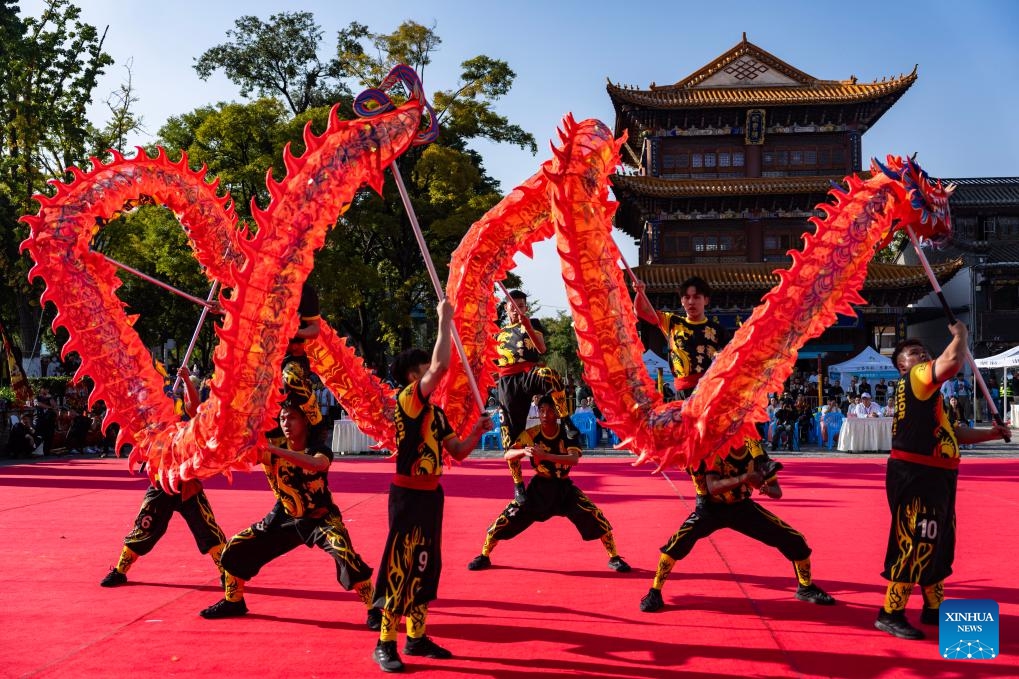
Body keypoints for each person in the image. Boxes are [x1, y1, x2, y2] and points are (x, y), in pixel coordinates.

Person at [371, 299, 492, 673]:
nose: (432, 373)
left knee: (424, 566)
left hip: (431, 496)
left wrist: (477, 432)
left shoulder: (435, 414)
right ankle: (385, 642)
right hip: (407, 495)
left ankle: (417, 636)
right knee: (401, 564)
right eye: (423, 369)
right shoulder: (407, 401)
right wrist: (444, 320)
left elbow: (458, 451)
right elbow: (441, 366)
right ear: (413, 376)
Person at [875, 325, 1009, 640]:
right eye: (913, 352)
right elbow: (951, 361)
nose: (922, 354)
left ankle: (934, 608)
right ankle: (890, 613)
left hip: (936, 475)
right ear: (902, 366)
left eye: (923, 351)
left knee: (938, 542)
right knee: (916, 541)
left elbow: (953, 434)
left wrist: (991, 434)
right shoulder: (919, 377)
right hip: (918, 475)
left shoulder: (927, 396)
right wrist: (961, 334)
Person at [199, 397, 380, 629]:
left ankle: (374, 609)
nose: (286, 422)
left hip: (320, 518)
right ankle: (234, 600)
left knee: (344, 551)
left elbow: (318, 465)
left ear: (305, 421)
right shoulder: (272, 445)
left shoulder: (318, 449)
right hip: (284, 516)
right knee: (236, 546)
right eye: (283, 417)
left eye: (292, 417)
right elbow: (245, 453)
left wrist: (274, 450)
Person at [639, 437, 835, 612]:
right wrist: (745, 478)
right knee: (676, 544)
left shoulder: (754, 447)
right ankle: (655, 591)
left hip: (742, 507)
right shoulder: (712, 445)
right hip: (709, 509)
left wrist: (765, 487)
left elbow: (777, 491)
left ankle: (806, 587)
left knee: (794, 539)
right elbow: (713, 487)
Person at [465, 394, 631, 575]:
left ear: (558, 413)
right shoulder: (531, 433)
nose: (545, 414)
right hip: (539, 489)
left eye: (550, 410)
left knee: (595, 516)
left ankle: (614, 557)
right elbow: (507, 455)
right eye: (542, 410)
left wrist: (545, 456)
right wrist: (523, 451)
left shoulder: (568, 432)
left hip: (564, 489)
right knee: (506, 518)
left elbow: (574, 459)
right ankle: (484, 555)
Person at [100, 366, 229, 588]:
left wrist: (187, 380)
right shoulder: (153, 416)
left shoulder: (189, 424)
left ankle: (227, 572)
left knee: (207, 529)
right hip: (161, 483)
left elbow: (196, 408)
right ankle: (120, 570)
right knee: (145, 526)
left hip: (187, 484)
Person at [494, 289, 570, 505]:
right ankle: (518, 485)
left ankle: (566, 420)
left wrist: (526, 324)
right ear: (506, 308)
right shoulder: (497, 334)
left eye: (521, 306)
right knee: (511, 438)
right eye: (513, 306)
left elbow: (541, 348)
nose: (517, 310)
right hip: (507, 384)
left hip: (528, 374)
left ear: (525, 308)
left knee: (550, 375)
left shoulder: (533, 323)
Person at [634, 276, 730, 400]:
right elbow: (642, 311)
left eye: (696, 297)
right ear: (682, 301)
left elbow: (730, 359)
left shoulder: (719, 331)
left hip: (709, 395)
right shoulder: (671, 322)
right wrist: (640, 292)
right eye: (687, 297)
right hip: (681, 396)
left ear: (706, 300)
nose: (691, 302)